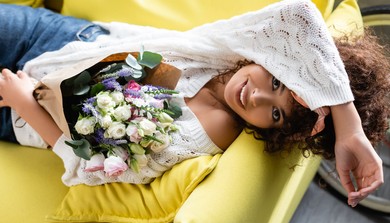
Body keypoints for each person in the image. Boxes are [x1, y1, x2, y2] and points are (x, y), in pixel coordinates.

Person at [0, 1, 388, 207]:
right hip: (60, 37)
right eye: (276, 81)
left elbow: (94, 167)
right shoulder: (231, 50)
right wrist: (347, 120)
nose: (257, 95)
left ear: (276, 130)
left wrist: (24, 102)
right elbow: (300, 15)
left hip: (24, 111)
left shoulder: (212, 128)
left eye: (275, 113)